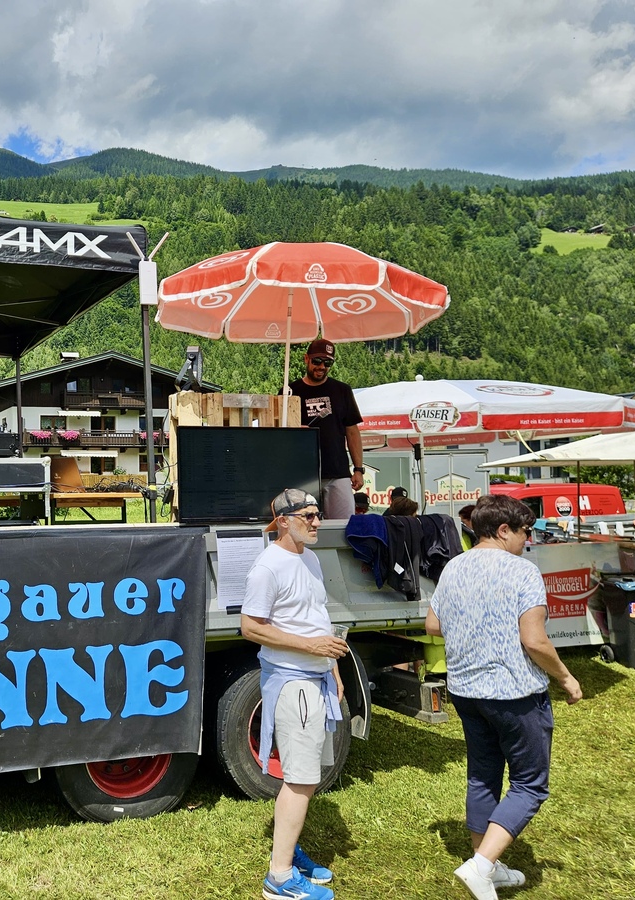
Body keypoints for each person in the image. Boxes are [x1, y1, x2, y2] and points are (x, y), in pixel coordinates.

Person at [425, 494, 583, 900]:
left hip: (465, 690)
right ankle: (480, 867)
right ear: (503, 530)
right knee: (530, 784)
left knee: (483, 775)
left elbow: (433, 625)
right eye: (525, 531)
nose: (527, 540)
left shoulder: (453, 566)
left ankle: (488, 865)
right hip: (514, 693)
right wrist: (566, 677)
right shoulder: (523, 571)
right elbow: (535, 640)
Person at [242, 489, 348, 900]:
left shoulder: (310, 558)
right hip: (292, 680)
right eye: (308, 515)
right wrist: (312, 648)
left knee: (306, 775)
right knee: (301, 780)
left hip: (315, 676)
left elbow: (314, 617)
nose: (317, 521)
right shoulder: (267, 567)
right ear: (283, 521)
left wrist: (331, 666)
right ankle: (280, 877)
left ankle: (287, 850)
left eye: (318, 514)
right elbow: (250, 627)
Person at [286, 339, 364, 521]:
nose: (322, 366)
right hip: (302, 474)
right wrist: (294, 431)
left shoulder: (342, 390)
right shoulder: (289, 391)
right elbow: (279, 434)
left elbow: (352, 432)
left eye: (328, 362)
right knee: (302, 526)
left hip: (338, 471)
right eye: (317, 361)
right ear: (306, 359)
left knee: (343, 527)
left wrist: (358, 469)